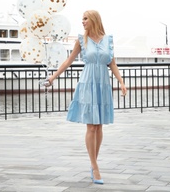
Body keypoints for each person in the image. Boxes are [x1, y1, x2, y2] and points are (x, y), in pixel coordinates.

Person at [47, 10, 127, 185]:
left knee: (99, 127)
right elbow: (68, 61)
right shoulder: (81, 40)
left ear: (94, 20)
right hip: (88, 84)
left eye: (85, 18)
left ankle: (94, 163)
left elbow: (112, 63)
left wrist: (121, 81)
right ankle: (95, 166)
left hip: (103, 85)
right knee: (91, 127)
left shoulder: (108, 40)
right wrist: (52, 77)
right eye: (82, 19)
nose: (82, 21)